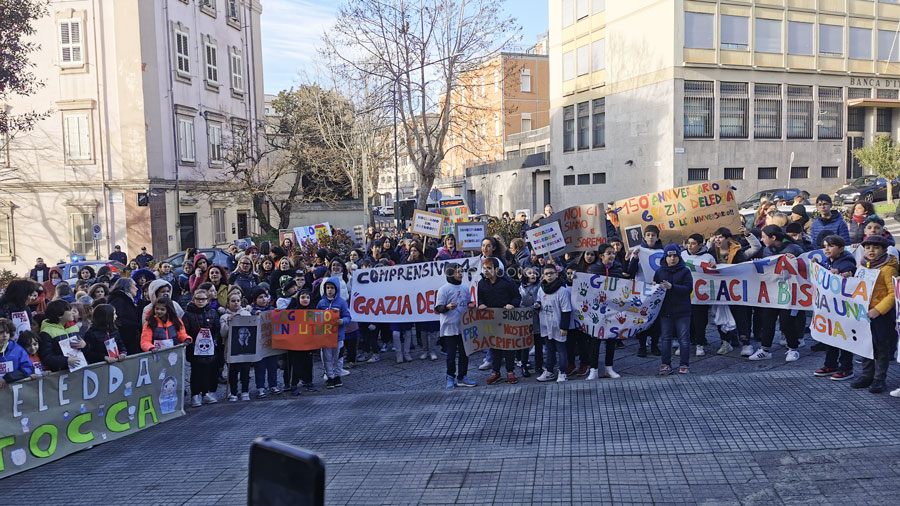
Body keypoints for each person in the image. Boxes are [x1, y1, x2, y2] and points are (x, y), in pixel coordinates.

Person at [747, 225, 805, 361]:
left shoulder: (794, 249)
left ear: (773, 238)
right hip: (771, 291)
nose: (761, 240)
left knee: (786, 322)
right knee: (767, 321)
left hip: (789, 293)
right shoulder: (767, 250)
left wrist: (796, 261)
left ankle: (793, 348)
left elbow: (805, 266)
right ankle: (765, 349)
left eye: (763, 237)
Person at [851, 236, 898, 393]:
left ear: (884, 250)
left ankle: (879, 379)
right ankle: (866, 375)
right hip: (864, 313)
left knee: (881, 347)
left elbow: (893, 294)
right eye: (868, 247)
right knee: (865, 345)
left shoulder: (887, 269)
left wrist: (878, 309)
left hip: (881, 315)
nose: (871, 250)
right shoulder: (863, 266)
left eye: (876, 248)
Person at [812, 235, 857, 382]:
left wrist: (839, 275)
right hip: (831, 307)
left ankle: (846, 368)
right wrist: (817, 265)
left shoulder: (847, 262)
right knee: (831, 337)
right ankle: (830, 364)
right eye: (825, 246)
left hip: (844, 308)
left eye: (830, 246)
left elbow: (848, 273)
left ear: (841, 249)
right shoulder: (828, 260)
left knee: (844, 338)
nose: (826, 249)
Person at [477, 257, 521, 385]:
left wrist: (512, 305)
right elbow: (479, 298)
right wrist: (480, 304)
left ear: (496, 269)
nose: (486, 271)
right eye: (484, 268)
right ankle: (495, 372)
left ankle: (510, 371)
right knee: (494, 346)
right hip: (491, 320)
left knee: (509, 347)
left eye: (489, 268)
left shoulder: (507, 282)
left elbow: (516, 297)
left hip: (507, 319)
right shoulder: (481, 283)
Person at [585, 244, 623, 379]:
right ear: (601, 256)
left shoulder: (618, 269)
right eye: (608, 253)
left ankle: (609, 368)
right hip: (597, 310)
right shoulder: (593, 269)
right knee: (595, 340)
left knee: (611, 340)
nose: (612, 255)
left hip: (612, 309)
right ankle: (593, 369)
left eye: (613, 253)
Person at [654, 245, 693, 375]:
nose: (672, 259)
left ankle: (684, 364)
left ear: (679, 257)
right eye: (669, 256)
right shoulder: (660, 272)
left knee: (684, 339)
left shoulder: (685, 271)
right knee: (665, 338)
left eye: (675, 256)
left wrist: (673, 287)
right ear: (665, 257)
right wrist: (654, 286)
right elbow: (654, 289)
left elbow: (688, 289)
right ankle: (665, 364)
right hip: (665, 311)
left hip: (682, 310)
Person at [626, 225, 663, 357]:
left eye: (653, 235)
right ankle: (642, 346)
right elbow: (630, 272)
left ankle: (654, 345)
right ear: (644, 237)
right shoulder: (638, 251)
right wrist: (635, 259)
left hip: (656, 290)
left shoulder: (662, 252)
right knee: (641, 317)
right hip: (641, 290)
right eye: (648, 235)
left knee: (656, 318)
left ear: (657, 237)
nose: (651, 237)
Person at [182, 289, 221, 407]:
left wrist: (214, 341)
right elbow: (185, 330)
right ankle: (195, 394)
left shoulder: (212, 312)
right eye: (198, 299)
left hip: (209, 347)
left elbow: (216, 328)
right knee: (196, 371)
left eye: (203, 299)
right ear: (194, 300)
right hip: (194, 348)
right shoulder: (188, 314)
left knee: (207, 371)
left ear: (207, 300)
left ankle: (205, 393)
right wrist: (192, 343)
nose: (200, 301)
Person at [535, 264, 571, 383]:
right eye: (546, 274)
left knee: (561, 349)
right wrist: (537, 305)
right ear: (543, 276)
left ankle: (562, 372)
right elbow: (539, 300)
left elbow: (566, 310)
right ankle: (549, 370)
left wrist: (564, 327)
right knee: (549, 349)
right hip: (545, 323)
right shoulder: (541, 289)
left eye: (551, 273)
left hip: (558, 324)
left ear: (557, 274)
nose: (549, 276)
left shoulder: (562, 291)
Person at [317, 277, 351, 389]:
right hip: (325, 336)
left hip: (338, 336)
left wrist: (342, 321)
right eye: (327, 288)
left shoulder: (341, 302)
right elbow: (315, 317)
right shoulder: (321, 303)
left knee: (338, 357)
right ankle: (330, 376)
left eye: (332, 288)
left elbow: (348, 316)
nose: (330, 290)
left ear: (336, 289)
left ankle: (337, 376)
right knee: (327, 357)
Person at [248, 287, 279, 397]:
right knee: (260, 366)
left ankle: (273, 385)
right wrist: (254, 314)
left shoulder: (271, 309)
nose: (263, 299)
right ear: (255, 299)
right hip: (259, 344)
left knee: (273, 365)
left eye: (265, 296)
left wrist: (278, 314)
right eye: (260, 297)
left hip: (270, 343)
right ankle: (260, 387)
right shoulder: (251, 311)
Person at [285, 288, 318, 395]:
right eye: (303, 297)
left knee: (308, 363)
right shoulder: (292, 311)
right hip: (295, 345)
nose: (305, 299)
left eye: (307, 297)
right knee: (296, 364)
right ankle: (294, 384)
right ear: (298, 298)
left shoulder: (314, 311)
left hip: (309, 343)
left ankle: (308, 382)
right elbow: (283, 319)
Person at [220, 292, 252, 401]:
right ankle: (233, 392)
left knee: (245, 371)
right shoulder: (224, 316)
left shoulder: (246, 314)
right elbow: (223, 334)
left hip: (246, 349)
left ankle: (245, 391)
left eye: (238, 301)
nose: (236, 303)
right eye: (233, 301)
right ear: (228, 303)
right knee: (233, 372)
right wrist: (228, 323)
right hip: (231, 349)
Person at [38, 300, 85, 372]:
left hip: (79, 368)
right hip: (59, 374)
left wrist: (84, 345)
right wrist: (66, 361)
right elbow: (46, 357)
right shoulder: (46, 333)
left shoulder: (74, 328)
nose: (72, 313)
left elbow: (86, 349)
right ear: (59, 315)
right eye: (69, 310)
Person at [518, 266, 542, 379]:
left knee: (538, 343)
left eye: (534, 273)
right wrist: (533, 307)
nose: (533, 275)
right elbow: (520, 305)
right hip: (526, 319)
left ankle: (539, 365)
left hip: (539, 319)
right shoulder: (520, 289)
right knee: (525, 344)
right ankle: (524, 365)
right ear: (524, 275)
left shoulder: (540, 285)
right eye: (530, 273)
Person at [108, 277, 142, 354]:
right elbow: (120, 320)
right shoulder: (118, 300)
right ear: (127, 287)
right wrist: (137, 325)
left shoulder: (126, 299)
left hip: (130, 337)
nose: (136, 289)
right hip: (125, 339)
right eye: (134, 285)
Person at [0, 318, 33, 389]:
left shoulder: (18, 349)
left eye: (7, 332)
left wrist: (7, 378)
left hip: (12, 391)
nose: (5, 335)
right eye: (1, 332)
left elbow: (27, 368)